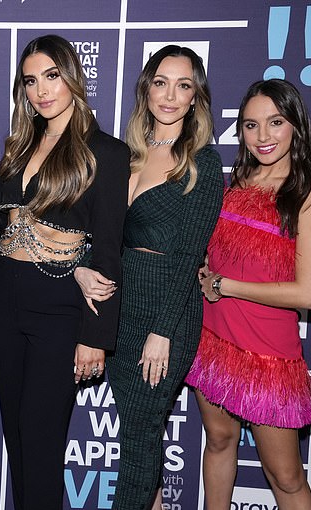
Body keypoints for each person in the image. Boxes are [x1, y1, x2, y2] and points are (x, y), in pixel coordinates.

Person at [0, 34, 130, 510]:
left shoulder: (105, 152)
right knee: (17, 436)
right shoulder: (19, 144)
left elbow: (108, 250)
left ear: (71, 77)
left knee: (43, 438)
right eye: (30, 81)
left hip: (59, 311)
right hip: (4, 297)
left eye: (52, 76)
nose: (42, 91)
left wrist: (95, 334)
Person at [75, 45, 224, 509]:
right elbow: (94, 233)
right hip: (119, 307)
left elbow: (187, 257)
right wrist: (80, 268)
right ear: (147, 89)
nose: (170, 95)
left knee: (140, 438)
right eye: (161, 82)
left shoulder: (204, 164)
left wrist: (161, 332)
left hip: (168, 314)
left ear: (196, 97)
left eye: (184, 86)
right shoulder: (125, 157)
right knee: (138, 427)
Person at [185, 79, 311, 509]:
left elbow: (308, 294)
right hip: (213, 338)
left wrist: (225, 286)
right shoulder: (233, 184)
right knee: (218, 439)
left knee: (285, 475)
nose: (263, 137)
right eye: (251, 125)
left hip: (269, 355)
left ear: (297, 128)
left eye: (276, 122)